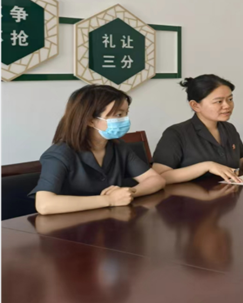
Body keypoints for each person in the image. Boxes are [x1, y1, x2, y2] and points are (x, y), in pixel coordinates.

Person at [30, 85, 165, 215]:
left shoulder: (118, 146)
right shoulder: (59, 153)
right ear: (90, 120)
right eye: (118, 115)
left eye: (126, 113)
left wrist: (128, 193)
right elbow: (44, 204)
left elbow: (155, 179)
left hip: (112, 219)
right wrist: (109, 200)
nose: (125, 120)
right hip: (71, 226)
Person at [152, 74, 243, 184]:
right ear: (195, 105)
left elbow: (242, 161)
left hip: (227, 196)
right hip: (189, 201)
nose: (227, 106)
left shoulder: (229, 128)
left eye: (230, 99)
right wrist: (206, 166)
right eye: (219, 101)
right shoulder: (176, 134)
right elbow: (159, 177)